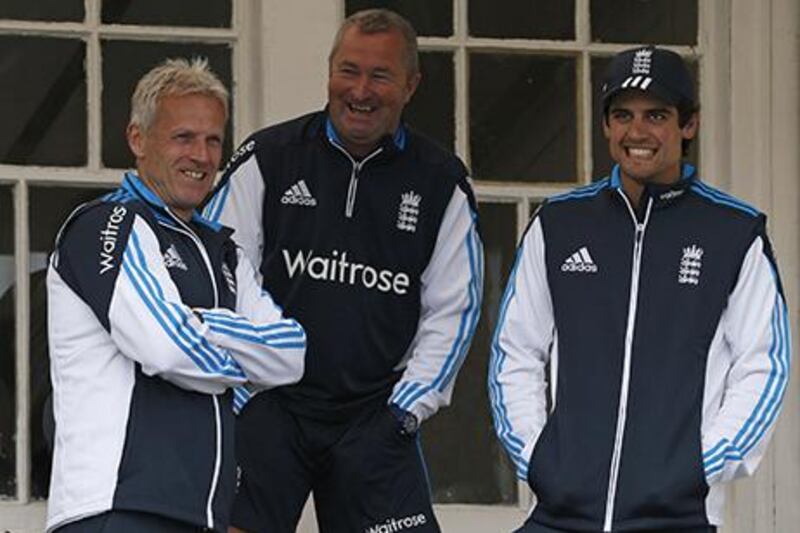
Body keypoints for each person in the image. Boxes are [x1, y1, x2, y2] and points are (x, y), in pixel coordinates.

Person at [489, 45, 791, 532]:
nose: (637, 132)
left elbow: (764, 363)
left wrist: (702, 463)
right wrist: (537, 455)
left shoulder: (733, 233)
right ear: (607, 126)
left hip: (678, 517)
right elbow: (515, 351)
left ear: (688, 125)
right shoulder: (559, 224)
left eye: (657, 115)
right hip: (559, 516)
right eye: (623, 114)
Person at [204, 8, 483, 533]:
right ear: (329, 70)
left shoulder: (441, 182)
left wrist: (406, 410)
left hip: (374, 415)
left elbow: (454, 311)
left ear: (411, 84)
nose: (360, 90)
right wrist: (241, 387)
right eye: (348, 70)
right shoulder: (269, 156)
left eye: (380, 75)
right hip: (270, 404)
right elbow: (220, 271)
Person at [46, 58, 307, 533]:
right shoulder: (107, 224)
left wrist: (192, 323)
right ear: (138, 139)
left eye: (212, 140)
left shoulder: (224, 251)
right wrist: (244, 356)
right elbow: (165, 349)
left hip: (202, 515)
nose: (202, 156)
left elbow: (290, 354)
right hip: (118, 508)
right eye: (183, 137)